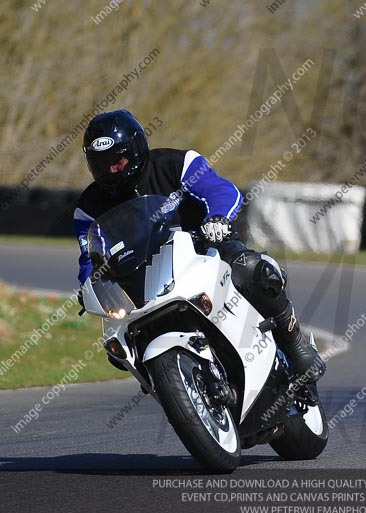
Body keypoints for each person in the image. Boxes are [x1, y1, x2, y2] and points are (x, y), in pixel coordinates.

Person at [72, 109, 325, 381]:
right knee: (117, 344)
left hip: (206, 249)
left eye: (118, 160)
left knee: (252, 269)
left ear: (135, 151)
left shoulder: (177, 163)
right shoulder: (88, 207)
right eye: (102, 164)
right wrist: (89, 284)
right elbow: (90, 256)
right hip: (143, 277)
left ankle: (294, 343)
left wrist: (217, 218)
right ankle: (168, 381)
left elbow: (221, 189)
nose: (111, 170)